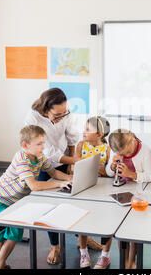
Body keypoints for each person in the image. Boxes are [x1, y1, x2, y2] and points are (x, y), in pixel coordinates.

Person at [24, 88, 102, 264]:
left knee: (76, 201)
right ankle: (55, 245)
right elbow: (47, 152)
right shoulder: (32, 118)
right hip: (44, 162)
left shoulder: (64, 111)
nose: (61, 116)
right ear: (45, 109)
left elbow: (72, 135)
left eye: (64, 112)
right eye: (57, 115)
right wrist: (73, 159)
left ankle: (82, 238)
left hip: (65, 156)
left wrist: (72, 162)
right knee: (50, 206)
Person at [0, 125, 72, 269]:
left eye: (43, 143)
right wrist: (58, 184)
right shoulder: (21, 158)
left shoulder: (39, 156)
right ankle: (0, 264)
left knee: (14, 234)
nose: (43, 147)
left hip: (16, 202)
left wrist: (70, 179)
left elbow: (53, 173)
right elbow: (34, 186)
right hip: (0, 199)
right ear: (25, 145)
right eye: (39, 144)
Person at [106, 129, 151, 269]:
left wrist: (131, 174)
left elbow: (150, 177)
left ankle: (131, 261)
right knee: (120, 230)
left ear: (133, 140)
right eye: (122, 154)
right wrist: (112, 166)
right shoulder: (116, 151)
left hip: (139, 194)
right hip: (120, 194)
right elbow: (109, 173)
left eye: (127, 153)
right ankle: (125, 258)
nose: (125, 156)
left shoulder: (145, 151)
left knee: (134, 231)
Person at [75, 116, 113, 269]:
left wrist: (94, 167)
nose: (83, 132)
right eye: (84, 128)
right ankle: (83, 252)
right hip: (85, 188)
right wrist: (97, 168)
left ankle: (105, 256)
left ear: (99, 135)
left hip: (103, 189)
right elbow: (74, 166)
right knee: (82, 220)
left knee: (107, 221)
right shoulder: (80, 145)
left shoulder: (107, 149)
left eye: (87, 130)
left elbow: (109, 172)